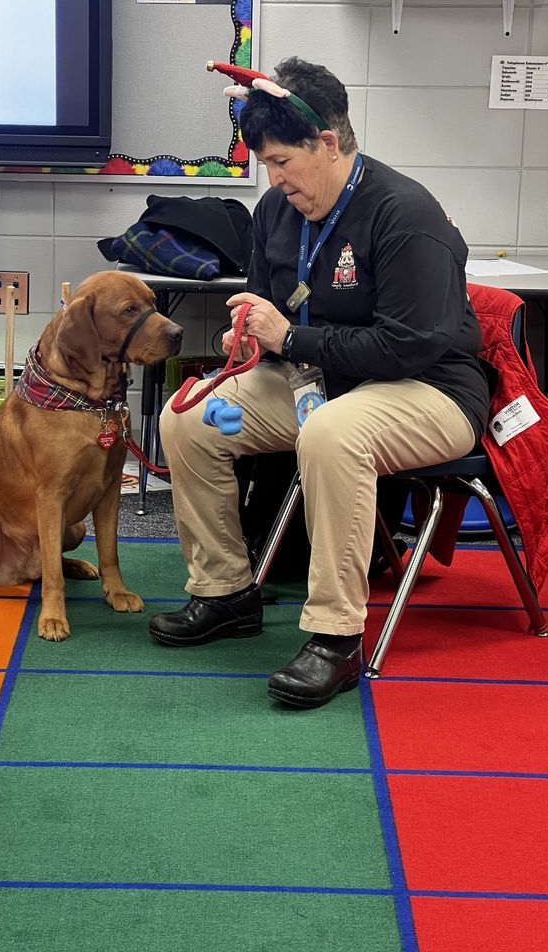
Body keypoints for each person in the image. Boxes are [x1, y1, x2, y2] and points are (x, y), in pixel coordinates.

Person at [148, 57, 490, 710]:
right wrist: (246, 340)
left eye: (282, 162)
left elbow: (407, 346)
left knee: (334, 432)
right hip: (317, 379)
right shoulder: (276, 210)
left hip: (431, 389)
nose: (274, 179)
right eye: (266, 165)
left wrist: (287, 339)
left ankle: (336, 638)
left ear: (328, 143)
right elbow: (267, 307)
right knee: (187, 415)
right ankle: (225, 592)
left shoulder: (406, 214)